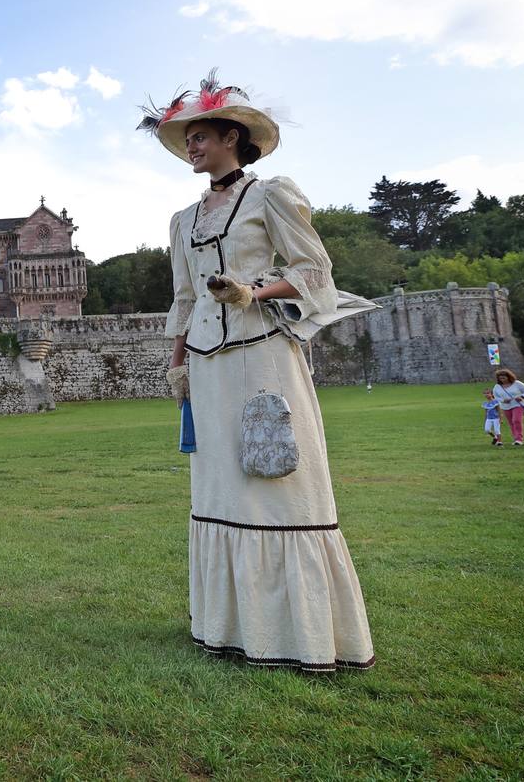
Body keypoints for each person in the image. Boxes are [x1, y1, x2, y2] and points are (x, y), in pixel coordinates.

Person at [142, 70, 375, 672]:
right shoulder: (181, 221)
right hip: (207, 364)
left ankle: (299, 636)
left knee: (274, 474)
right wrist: (177, 368)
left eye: (200, 137)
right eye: (187, 139)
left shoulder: (269, 196)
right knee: (221, 484)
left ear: (232, 137)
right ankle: (229, 628)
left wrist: (253, 291)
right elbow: (185, 298)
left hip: (262, 349)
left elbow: (313, 270)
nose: (191, 147)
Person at [492, 368, 524, 446]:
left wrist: (522, 397)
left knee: (516, 420)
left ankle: (519, 439)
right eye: (500, 378)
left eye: (504, 378)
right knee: (511, 423)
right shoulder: (497, 386)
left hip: (518, 405)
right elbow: (495, 396)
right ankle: (516, 439)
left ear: (509, 376)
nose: (502, 380)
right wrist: (503, 400)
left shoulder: (517, 383)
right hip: (506, 406)